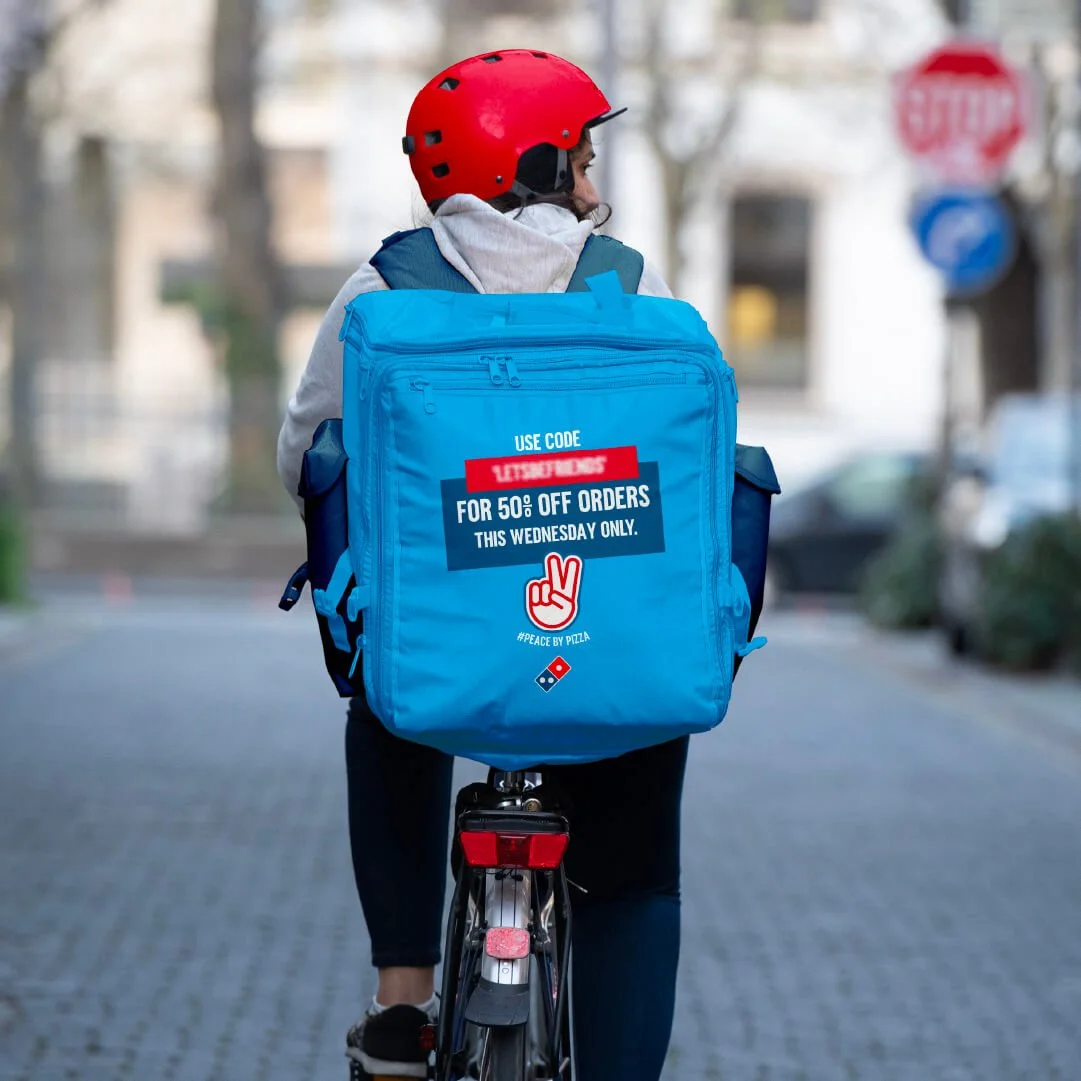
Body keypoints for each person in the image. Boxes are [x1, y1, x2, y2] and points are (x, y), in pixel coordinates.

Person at [277, 49, 687, 1081]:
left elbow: (306, 452)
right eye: (583, 157)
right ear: (539, 163)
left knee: (390, 699)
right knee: (633, 843)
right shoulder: (633, 288)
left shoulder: (382, 288)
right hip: (603, 645)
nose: (594, 182)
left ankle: (402, 1004)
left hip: (441, 662)